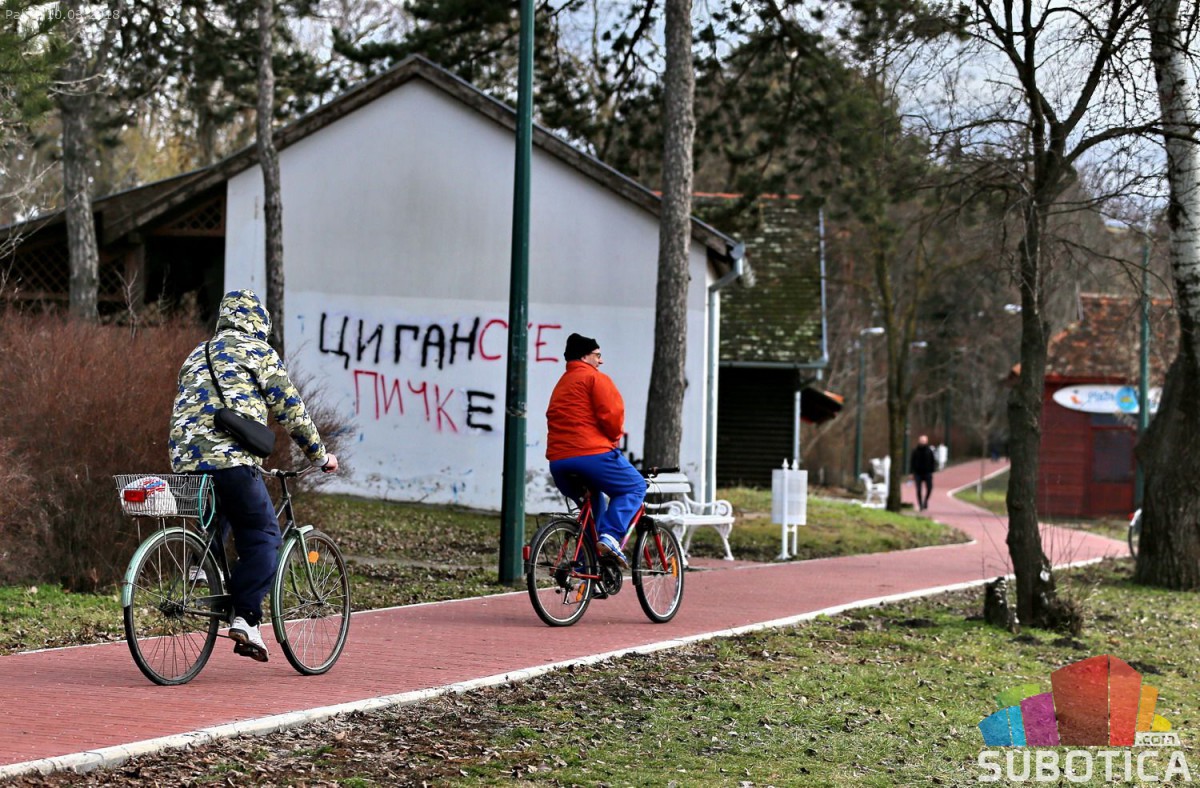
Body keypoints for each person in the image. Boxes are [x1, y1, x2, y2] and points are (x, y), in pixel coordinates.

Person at [168, 290, 338, 663]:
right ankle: (246, 618)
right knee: (263, 536)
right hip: (231, 461)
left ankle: (201, 565)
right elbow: (291, 409)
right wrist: (319, 455)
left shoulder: (197, 353)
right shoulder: (257, 352)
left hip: (184, 461)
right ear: (259, 321)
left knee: (222, 514)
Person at [545, 333, 646, 568]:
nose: (601, 361)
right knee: (635, 486)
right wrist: (613, 439)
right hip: (592, 455)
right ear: (584, 357)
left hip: (559, 463)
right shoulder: (595, 378)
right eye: (597, 355)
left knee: (594, 506)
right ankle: (611, 537)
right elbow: (612, 416)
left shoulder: (562, 384)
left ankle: (586, 568)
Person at [910, 434, 937, 511]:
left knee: (930, 488)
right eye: (921, 440)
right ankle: (920, 504)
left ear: (926, 441)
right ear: (919, 441)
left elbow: (933, 461)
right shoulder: (915, 451)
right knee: (918, 489)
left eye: (924, 441)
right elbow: (912, 462)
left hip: (927, 472)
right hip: (917, 473)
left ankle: (925, 500)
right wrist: (911, 472)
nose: (922, 442)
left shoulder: (929, 451)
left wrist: (932, 471)